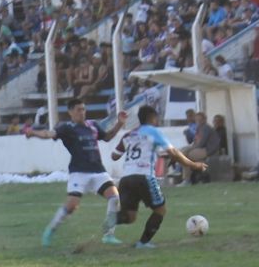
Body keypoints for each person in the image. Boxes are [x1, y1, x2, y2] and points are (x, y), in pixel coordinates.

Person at [25, 99, 127, 247]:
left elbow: (107, 137)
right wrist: (33, 132)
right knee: (72, 206)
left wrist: (120, 123)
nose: (82, 112)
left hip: (98, 171)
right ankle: (50, 230)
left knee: (114, 197)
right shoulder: (66, 128)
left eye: (83, 109)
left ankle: (108, 235)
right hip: (79, 172)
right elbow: (48, 134)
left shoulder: (93, 125)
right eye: (78, 110)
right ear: (70, 112)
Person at [112, 106, 207, 248]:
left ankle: (109, 220)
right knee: (160, 210)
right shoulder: (154, 132)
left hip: (126, 179)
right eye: (156, 118)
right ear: (152, 118)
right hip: (143, 176)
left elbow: (114, 156)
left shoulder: (129, 135)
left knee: (130, 217)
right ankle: (143, 243)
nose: (157, 121)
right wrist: (194, 165)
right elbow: (174, 152)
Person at [179, 112, 220, 186]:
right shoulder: (199, 128)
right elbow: (193, 141)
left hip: (208, 150)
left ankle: (187, 180)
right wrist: (187, 135)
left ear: (204, 119)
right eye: (197, 119)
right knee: (182, 153)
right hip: (200, 148)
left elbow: (202, 143)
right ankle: (188, 178)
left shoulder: (206, 128)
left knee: (186, 156)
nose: (198, 121)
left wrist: (191, 148)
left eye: (200, 119)